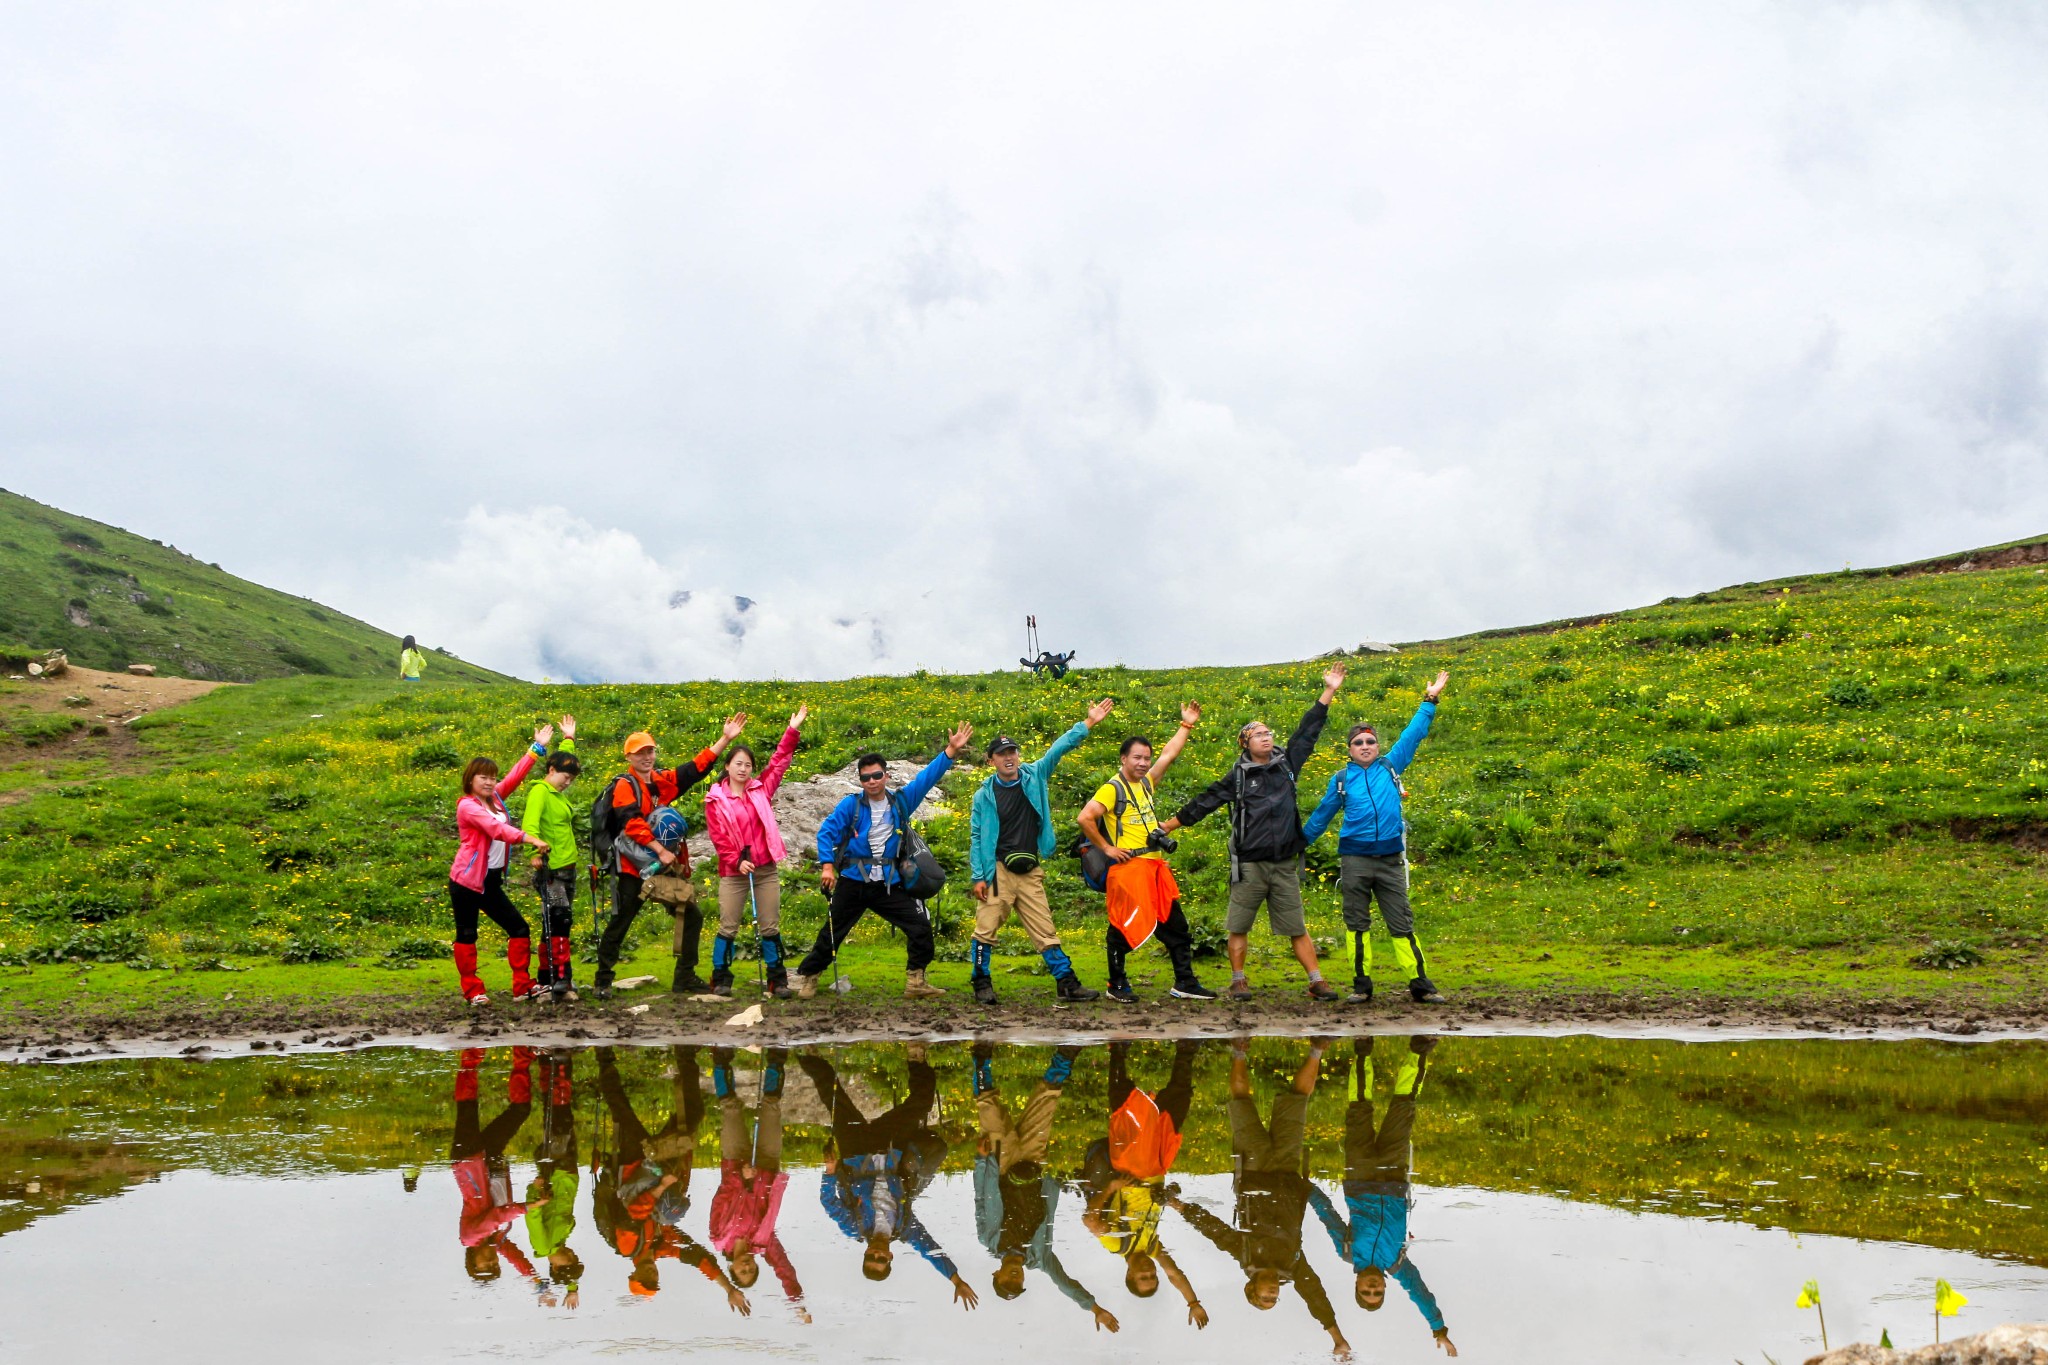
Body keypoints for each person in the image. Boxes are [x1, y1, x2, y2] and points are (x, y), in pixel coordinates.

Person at [1161, 664, 1348, 1001]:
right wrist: (1171, 824)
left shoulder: (1287, 763)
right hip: (1249, 865)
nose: (1268, 736)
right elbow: (1206, 802)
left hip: (1283, 863)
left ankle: (1316, 981)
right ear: (1245, 743)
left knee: (1296, 926)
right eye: (1259, 734)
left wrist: (1329, 691)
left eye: (1268, 732)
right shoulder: (1239, 776)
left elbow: (1308, 730)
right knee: (1239, 925)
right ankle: (1238, 980)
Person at [1171, 1038, 1349, 1359]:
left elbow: (1214, 1230)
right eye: (1273, 1299)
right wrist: (1336, 1336)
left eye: (1264, 1298)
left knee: (1240, 1102)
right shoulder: (1293, 1266)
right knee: (1299, 1100)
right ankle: (1317, 1048)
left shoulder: (1245, 1255)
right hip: (1287, 1170)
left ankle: (1239, 1048)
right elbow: (1315, 1296)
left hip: (1253, 1169)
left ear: (1251, 1289)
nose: (1272, 1294)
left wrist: (1180, 1206)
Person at [791, 723, 973, 1000]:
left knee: (919, 926)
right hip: (852, 881)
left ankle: (916, 981)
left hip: (888, 884)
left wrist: (950, 751)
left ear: (886, 775)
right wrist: (827, 866)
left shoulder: (901, 802)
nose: (872, 781)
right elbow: (826, 833)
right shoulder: (849, 806)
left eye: (877, 775)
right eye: (866, 778)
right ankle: (809, 977)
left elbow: (927, 778)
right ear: (860, 781)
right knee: (832, 932)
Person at [1303, 672, 1451, 1004]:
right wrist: (1298, 844)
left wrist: (1430, 701)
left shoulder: (1391, 766)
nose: (1365, 747)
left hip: (1390, 860)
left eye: (1370, 741)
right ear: (1350, 750)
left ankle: (1420, 984)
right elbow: (1322, 815)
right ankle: (1362, 985)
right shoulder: (1340, 779)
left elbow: (1413, 735)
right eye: (1359, 743)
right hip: (1354, 860)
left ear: (1377, 746)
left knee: (1402, 922)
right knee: (1357, 925)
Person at [800, 1047, 978, 1309]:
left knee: (832, 1095)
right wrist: (955, 1278)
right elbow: (930, 1250)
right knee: (920, 1104)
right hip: (889, 1146)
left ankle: (807, 1053)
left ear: (866, 1253)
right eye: (881, 1259)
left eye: (871, 1257)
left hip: (856, 1150)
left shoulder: (855, 1227)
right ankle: (916, 1056)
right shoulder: (904, 1227)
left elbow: (829, 1203)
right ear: (890, 1256)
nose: (877, 1253)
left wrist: (829, 1172)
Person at [1311, 1036, 1457, 1356]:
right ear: (1385, 1287)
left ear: (1357, 1286)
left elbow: (1327, 1215)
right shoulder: (1397, 1264)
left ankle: (1362, 1048)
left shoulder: (1347, 1251)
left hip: (1359, 1174)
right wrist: (1438, 1328)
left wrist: (1304, 1189)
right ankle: (1420, 1048)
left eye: (1367, 1291)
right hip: (1393, 1178)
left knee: (1359, 1108)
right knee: (1403, 1107)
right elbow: (1420, 1293)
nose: (1373, 1287)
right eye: (1377, 1292)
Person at [966, 699, 1114, 1005]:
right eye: (1002, 754)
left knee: (1045, 928)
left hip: (1030, 868)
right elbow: (977, 836)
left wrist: (1088, 723)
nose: (1009, 758)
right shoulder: (984, 795)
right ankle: (981, 982)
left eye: (1012, 752)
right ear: (991, 760)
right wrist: (979, 876)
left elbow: (1058, 749)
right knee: (986, 927)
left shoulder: (1035, 776)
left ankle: (1066, 983)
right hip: (997, 870)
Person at [594, 714, 748, 999]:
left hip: (659, 866)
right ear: (629, 755)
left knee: (690, 915)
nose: (647, 756)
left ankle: (684, 977)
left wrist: (725, 739)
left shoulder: (660, 780)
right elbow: (631, 822)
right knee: (621, 921)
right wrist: (662, 850)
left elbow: (693, 770)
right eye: (641, 752)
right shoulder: (624, 785)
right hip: (631, 868)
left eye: (650, 750)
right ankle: (603, 980)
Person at [591, 1046, 749, 1312]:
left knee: (621, 1110)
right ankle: (685, 1055)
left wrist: (664, 1185)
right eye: (654, 1280)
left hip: (632, 1166)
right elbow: (700, 1258)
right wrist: (729, 1288)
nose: (652, 1275)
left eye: (645, 1279)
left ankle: (603, 1055)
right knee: (693, 1116)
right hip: (655, 1167)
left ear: (634, 1275)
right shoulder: (661, 1246)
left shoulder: (629, 1247)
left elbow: (635, 1211)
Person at [971, 1042, 1117, 1330]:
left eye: (1007, 1280)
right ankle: (1065, 1055)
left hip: (1000, 1166)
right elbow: (1064, 1282)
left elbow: (979, 1199)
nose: (1015, 1277)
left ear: (996, 1275)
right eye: (1018, 1281)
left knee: (991, 1114)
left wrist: (980, 1161)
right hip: (1032, 1167)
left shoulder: (988, 1239)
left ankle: (981, 1060)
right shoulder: (1041, 1257)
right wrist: (1094, 1308)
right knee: (1045, 1105)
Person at [1078, 703, 1216, 1003]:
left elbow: (1169, 755)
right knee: (1123, 927)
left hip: (1154, 867)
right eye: (1137, 758)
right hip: (1129, 868)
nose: (1143, 763)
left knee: (1175, 923)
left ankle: (1185, 981)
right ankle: (1116, 984)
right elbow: (1085, 817)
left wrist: (1187, 725)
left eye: (1146, 758)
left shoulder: (1146, 784)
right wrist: (1107, 848)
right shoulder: (1112, 788)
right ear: (1123, 758)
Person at [1079, 1039, 1209, 1328]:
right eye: (1153, 1277)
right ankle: (1187, 1049)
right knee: (1176, 1106)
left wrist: (1112, 1188)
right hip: (1158, 1167)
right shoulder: (1151, 1247)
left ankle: (1118, 1051)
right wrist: (1193, 1302)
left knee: (1125, 1108)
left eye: (1143, 1278)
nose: (1150, 1272)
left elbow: (1089, 1221)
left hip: (1131, 1166)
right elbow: (1174, 1272)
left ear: (1129, 1275)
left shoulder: (1117, 1244)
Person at [704, 704, 809, 1000]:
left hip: (764, 869)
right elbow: (718, 837)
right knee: (728, 925)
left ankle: (778, 981)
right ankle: (720, 978)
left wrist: (793, 729)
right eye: (738, 763)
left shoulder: (761, 789)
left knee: (770, 925)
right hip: (733, 872)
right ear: (727, 766)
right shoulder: (715, 799)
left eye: (748, 764)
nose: (743, 768)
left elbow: (778, 763)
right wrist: (737, 861)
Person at [447, 723, 556, 1006]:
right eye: (483, 777)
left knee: (519, 928)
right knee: (467, 933)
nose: (489, 782)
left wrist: (537, 748)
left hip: (490, 881)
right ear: (470, 779)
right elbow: (495, 831)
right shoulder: (467, 806)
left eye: (492, 778)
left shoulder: (495, 799)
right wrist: (529, 837)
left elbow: (516, 776)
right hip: (466, 882)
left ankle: (522, 987)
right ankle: (473, 991)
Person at [709, 1046, 808, 1320]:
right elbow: (784, 1269)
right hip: (766, 1165)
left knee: (729, 1110)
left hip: (734, 1163)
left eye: (742, 1272)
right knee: (772, 1108)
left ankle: (720, 1060)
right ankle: (776, 1056)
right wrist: (796, 1302)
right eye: (752, 1270)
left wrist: (740, 1177)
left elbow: (721, 1197)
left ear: (730, 1269)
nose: (747, 1267)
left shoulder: (718, 1237)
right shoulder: (764, 1242)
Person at [452, 1046, 538, 1283]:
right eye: (494, 1263)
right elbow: (514, 1255)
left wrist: (527, 1207)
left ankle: (471, 1056)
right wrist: (535, 1281)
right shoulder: (497, 1239)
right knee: (520, 1110)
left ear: (472, 1260)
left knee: (468, 1107)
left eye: (485, 1263)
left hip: (468, 1161)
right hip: (489, 1161)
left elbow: (496, 1216)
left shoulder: (470, 1237)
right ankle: (523, 1056)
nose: (491, 1259)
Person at [519, 715, 581, 1002]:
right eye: (564, 777)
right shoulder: (540, 792)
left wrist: (569, 738)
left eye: (571, 779)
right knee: (560, 917)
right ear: (551, 769)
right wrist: (534, 852)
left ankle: (546, 974)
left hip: (569, 867)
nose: (567, 782)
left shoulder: (556, 792)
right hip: (550, 868)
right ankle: (561, 977)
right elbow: (529, 825)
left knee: (552, 922)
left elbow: (566, 762)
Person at [526, 1050, 583, 1308]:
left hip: (554, 1173)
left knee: (557, 1121)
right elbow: (568, 1273)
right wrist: (572, 1288)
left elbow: (532, 1215)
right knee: (563, 1120)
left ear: (557, 1265)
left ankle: (555, 1066)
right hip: (567, 1175)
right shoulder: (560, 1243)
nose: (573, 1255)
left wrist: (534, 1190)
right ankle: (555, 1066)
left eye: (570, 1261)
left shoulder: (544, 1244)